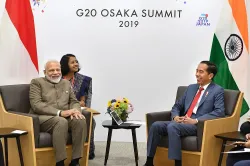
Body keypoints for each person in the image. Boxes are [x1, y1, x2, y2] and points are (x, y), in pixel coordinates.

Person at [144, 61, 225, 166]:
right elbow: (177, 106)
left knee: (173, 127)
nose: (197, 74)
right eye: (196, 71)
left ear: (210, 75)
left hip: (197, 125)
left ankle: (178, 163)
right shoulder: (191, 88)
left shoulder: (217, 90)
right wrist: (175, 116)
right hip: (182, 121)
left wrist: (196, 120)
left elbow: (219, 111)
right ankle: (149, 162)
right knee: (156, 125)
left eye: (201, 72)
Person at [29, 60, 87, 166]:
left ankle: (75, 161)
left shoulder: (66, 83)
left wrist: (75, 111)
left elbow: (74, 101)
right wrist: (60, 112)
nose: (55, 72)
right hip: (42, 118)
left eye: (58, 69)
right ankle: (60, 162)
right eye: (51, 70)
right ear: (44, 72)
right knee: (61, 121)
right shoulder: (36, 82)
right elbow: (36, 105)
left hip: (64, 116)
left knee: (80, 119)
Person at [60, 54, 96, 159]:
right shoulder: (57, 78)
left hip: (78, 110)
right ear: (65, 65)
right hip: (61, 110)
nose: (76, 64)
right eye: (72, 62)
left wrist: (84, 108)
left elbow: (86, 100)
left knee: (91, 121)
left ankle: (88, 151)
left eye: (76, 62)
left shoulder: (85, 80)